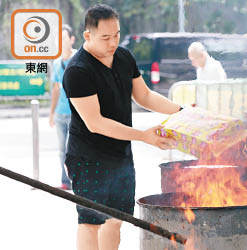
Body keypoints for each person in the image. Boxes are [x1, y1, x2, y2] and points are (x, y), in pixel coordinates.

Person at [62, 4, 180, 250]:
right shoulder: (78, 71)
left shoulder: (124, 56)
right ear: (88, 35)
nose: (112, 42)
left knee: (116, 219)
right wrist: (143, 136)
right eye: (105, 37)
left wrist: (182, 112)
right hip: (88, 158)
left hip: (121, 156)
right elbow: (95, 123)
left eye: (116, 35)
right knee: (90, 222)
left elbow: (144, 96)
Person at [49, 24, 77, 190]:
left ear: (72, 39)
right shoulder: (57, 62)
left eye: (64, 38)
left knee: (72, 150)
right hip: (60, 114)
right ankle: (66, 182)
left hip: (76, 115)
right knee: (62, 151)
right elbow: (55, 89)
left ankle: (77, 180)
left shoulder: (79, 58)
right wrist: (51, 113)